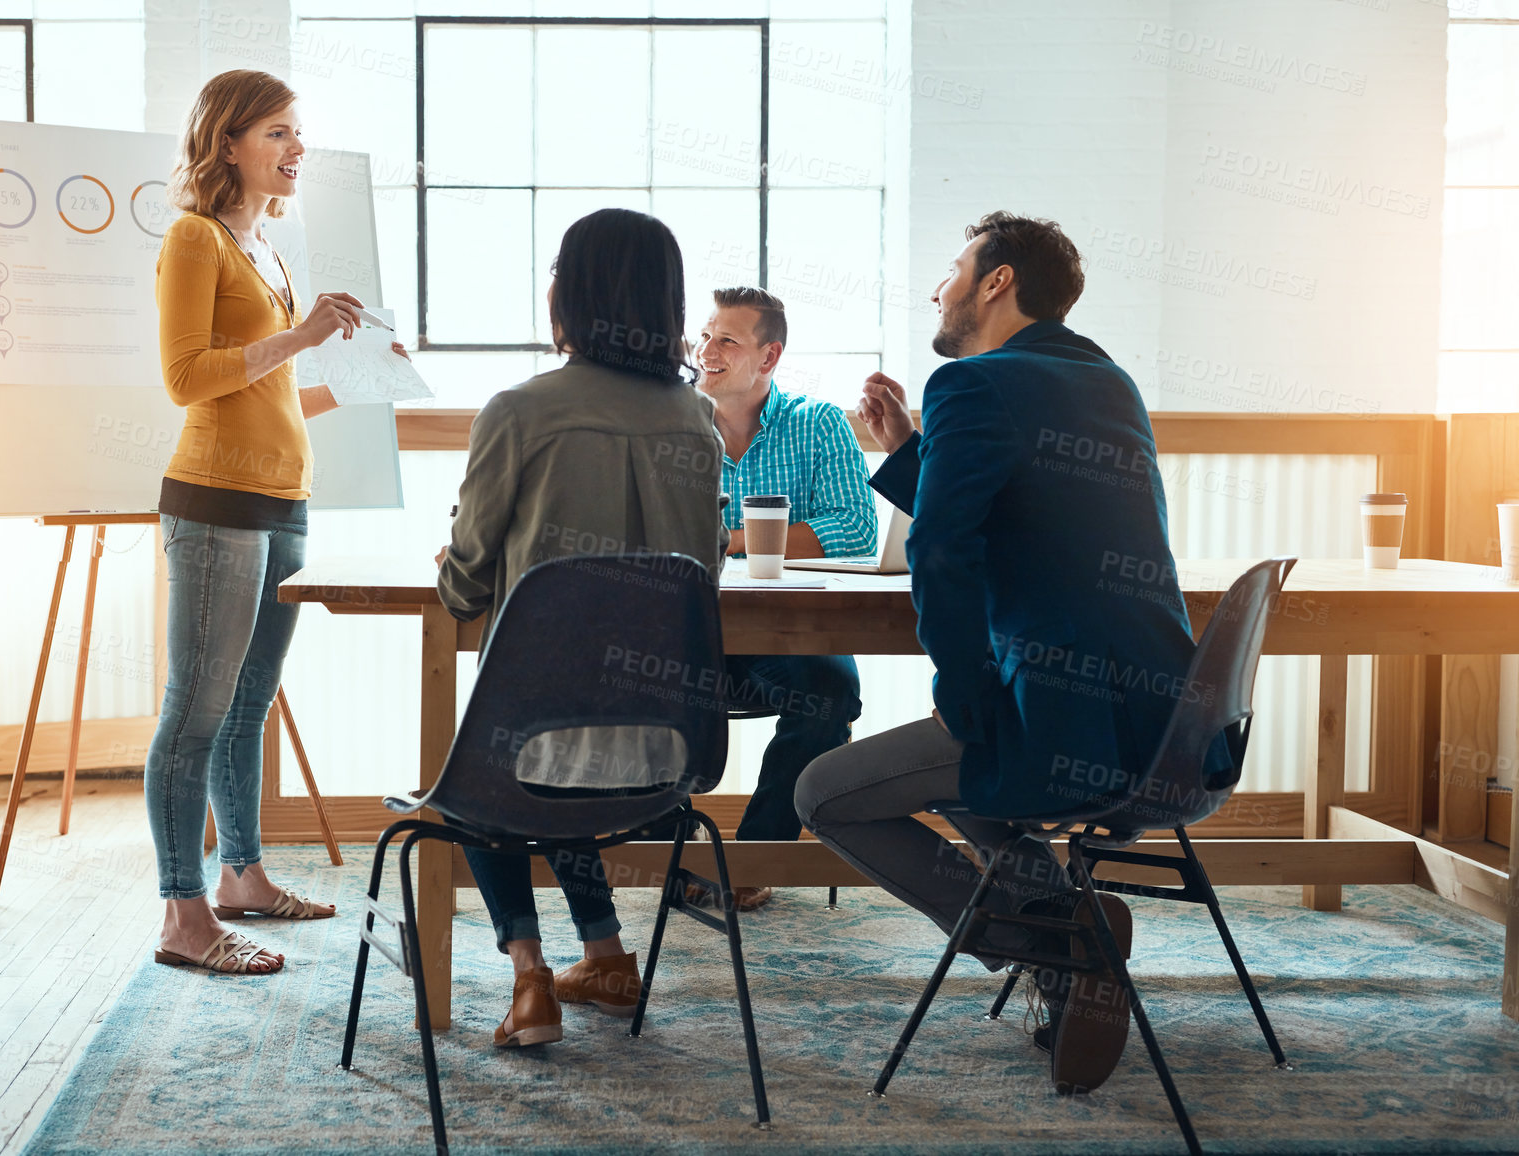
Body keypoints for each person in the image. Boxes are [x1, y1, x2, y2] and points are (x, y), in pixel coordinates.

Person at [795, 211, 1223, 1094]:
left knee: (825, 794)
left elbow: (945, 552)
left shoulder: (972, 386)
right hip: (1164, 725)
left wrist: (966, 691)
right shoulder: (1107, 380)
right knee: (975, 766)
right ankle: (1063, 931)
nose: (939, 287)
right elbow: (1033, 519)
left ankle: (1057, 946)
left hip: (1063, 722)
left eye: (954, 269)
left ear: (996, 282)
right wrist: (911, 453)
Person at [436, 208, 731, 1047]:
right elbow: (699, 568)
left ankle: (531, 979)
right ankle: (605, 955)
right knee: (567, 756)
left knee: (492, 771)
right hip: (666, 749)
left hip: (538, 746)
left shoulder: (518, 412)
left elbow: (465, 582)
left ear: (571, 294)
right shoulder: (697, 422)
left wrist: (458, 570)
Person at [146, 70, 407, 975]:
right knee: (197, 711)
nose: (297, 150)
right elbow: (188, 379)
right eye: (277, 134)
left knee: (250, 703)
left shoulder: (270, 252)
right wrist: (301, 337)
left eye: (299, 134)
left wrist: (369, 377)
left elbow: (277, 390)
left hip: (284, 502)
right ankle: (185, 915)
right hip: (215, 502)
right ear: (227, 143)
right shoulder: (195, 239)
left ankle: (243, 879)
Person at [694, 287, 874, 912]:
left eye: (726, 340)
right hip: (691, 638)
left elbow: (854, 531)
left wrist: (726, 538)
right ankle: (679, 853)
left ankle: (755, 855)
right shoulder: (672, 424)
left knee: (830, 695)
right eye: (706, 335)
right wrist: (785, 536)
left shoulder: (817, 422)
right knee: (637, 687)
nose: (705, 351)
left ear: (768, 357)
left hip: (791, 638)